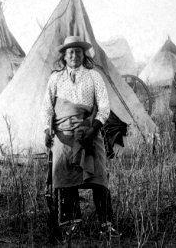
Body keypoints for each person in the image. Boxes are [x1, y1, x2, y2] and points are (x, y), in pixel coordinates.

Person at [41, 35, 118, 238]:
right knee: (66, 178)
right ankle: (72, 224)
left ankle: (106, 224)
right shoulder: (55, 78)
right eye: (70, 52)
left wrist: (93, 130)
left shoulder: (94, 77)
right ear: (65, 57)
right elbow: (47, 109)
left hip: (90, 134)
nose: (74, 55)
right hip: (63, 136)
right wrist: (47, 131)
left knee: (99, 178)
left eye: (78, 51)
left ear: (84, 55)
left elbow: (104, 107)